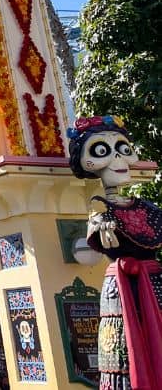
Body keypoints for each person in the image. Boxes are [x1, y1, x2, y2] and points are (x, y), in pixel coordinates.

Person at [68, 115, 162, 390]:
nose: (116, 160)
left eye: (121, 149)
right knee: (125, 350)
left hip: (155, 283)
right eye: (101, 151)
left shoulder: (149, 208)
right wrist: (99, 226)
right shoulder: (99, 209)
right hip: (121, 288)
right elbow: (97, 228)